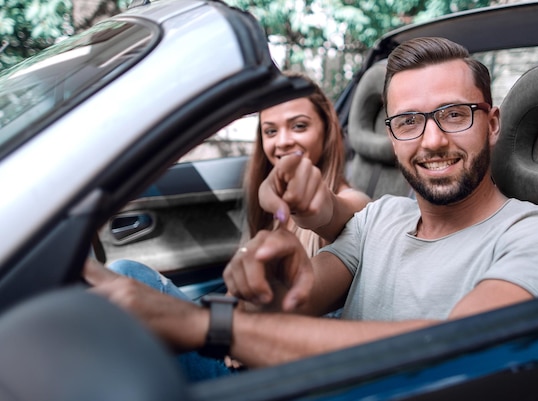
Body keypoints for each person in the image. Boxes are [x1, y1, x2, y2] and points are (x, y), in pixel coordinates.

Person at [85, 37, 538, 374]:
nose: (432, 141)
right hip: (299, 379)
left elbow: (459, 349)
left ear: (494, 122)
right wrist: (268, 287)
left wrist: (209, 325)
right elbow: (299, 299)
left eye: (454, 114)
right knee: (124, 275)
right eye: (409, 122)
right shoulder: (380, 218)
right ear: (392, 137)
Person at [98, 71, 371, 380]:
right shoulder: (268, 206)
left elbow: (328, 210)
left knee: (126, 276)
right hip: (237, 341)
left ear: (327, 131)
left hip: (270, 367)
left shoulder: (356, 206)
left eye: (299, 126)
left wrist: (234, 333)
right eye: (270, 131)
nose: (282, 141)